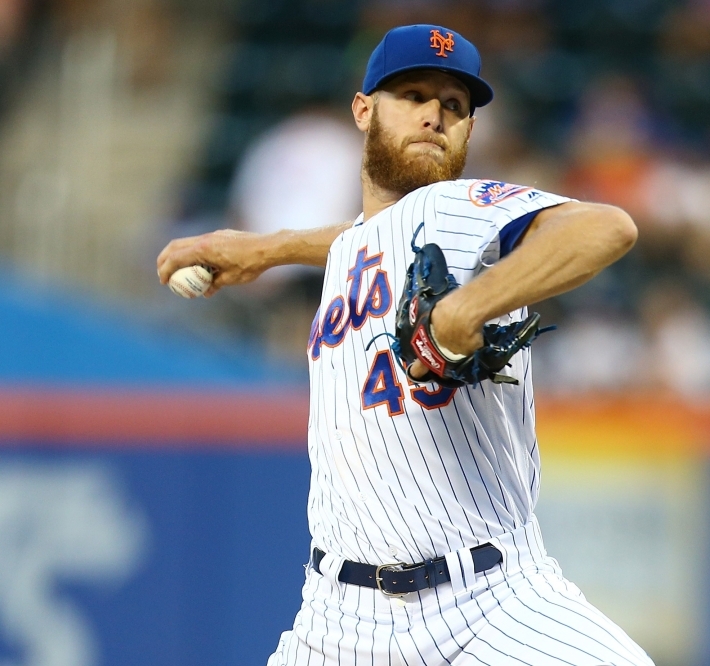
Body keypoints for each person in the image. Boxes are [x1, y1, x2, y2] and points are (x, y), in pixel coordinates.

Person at [157, 24, 649, 666]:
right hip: (336, 618)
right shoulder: (361, 243)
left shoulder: (462, 207)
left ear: (471, 131)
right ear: (363, 110)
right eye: (412, 94)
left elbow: (605, 226)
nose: (433, 115)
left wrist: (466, 308)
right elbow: (365, 238)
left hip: (491, 604)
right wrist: (267, 249)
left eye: (454, 106)